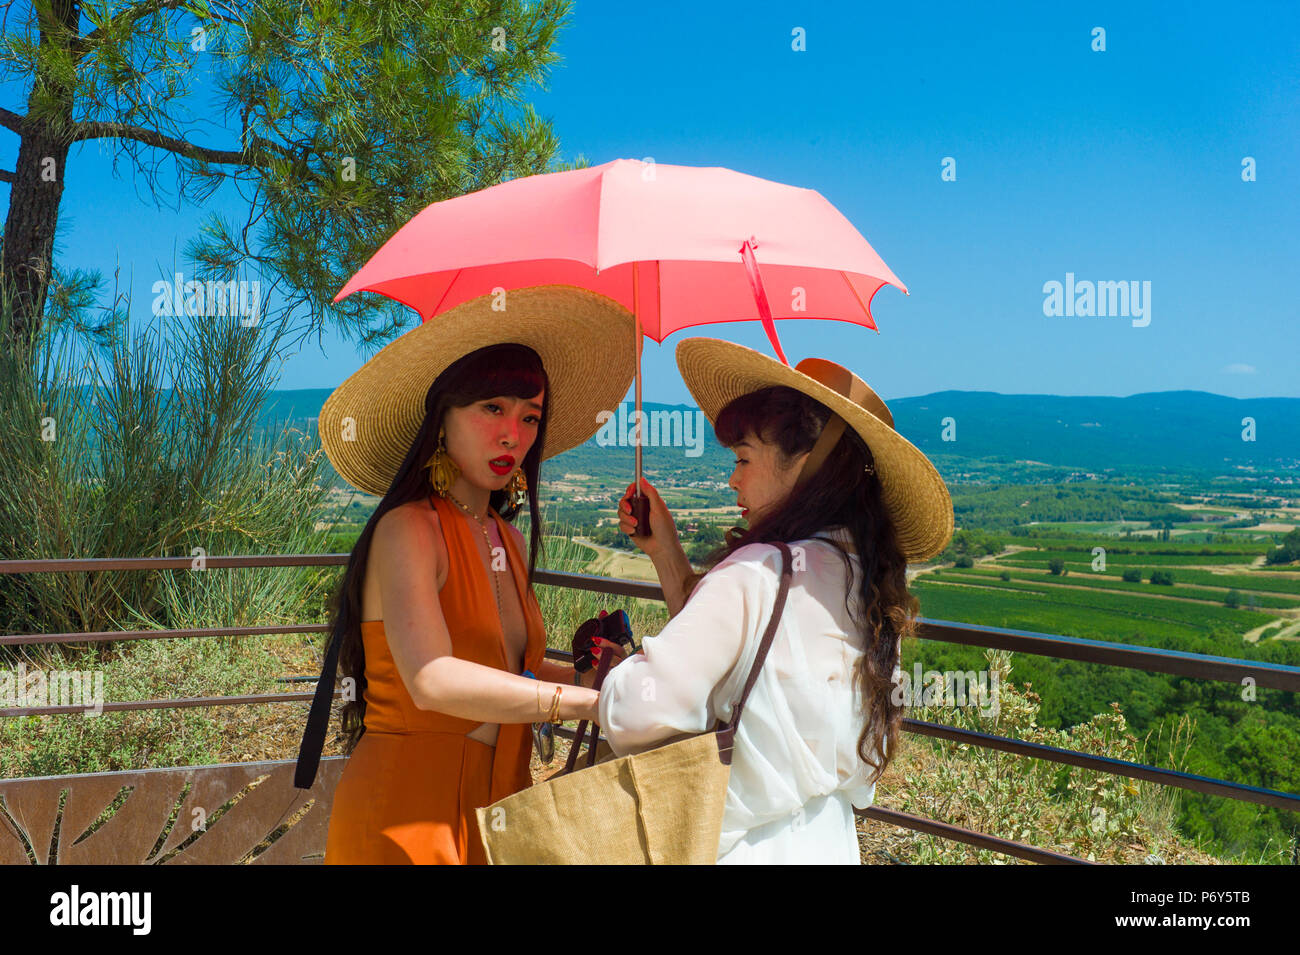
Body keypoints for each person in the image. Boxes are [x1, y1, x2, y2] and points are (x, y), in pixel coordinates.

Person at [295, 285, 636, 864]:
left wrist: (604, 679)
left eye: (530, 416)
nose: (514, 435)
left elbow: (512, 672)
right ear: (442, 420)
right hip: (407, 809)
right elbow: (433, 679)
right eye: (493, 409)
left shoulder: (507, 539)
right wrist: (582, 706)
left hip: (500, 801)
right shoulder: (410, 530)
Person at [598, 337, 954, 864]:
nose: (732, 479)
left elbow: (635, 712)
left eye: (744, 458)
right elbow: (749, 662)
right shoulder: (867, 586)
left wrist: (608, 677)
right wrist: (667, 553)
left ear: (806, 464)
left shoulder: (757, 572)